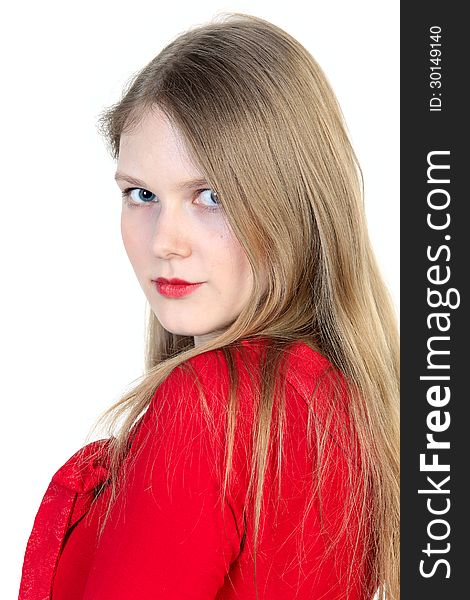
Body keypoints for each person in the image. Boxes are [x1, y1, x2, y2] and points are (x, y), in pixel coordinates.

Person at [19, 12, 399, 600]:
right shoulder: (343, 400)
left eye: (211, 196)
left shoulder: (210, 407)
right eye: (140, 195)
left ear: (294, 205)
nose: (165, 241)